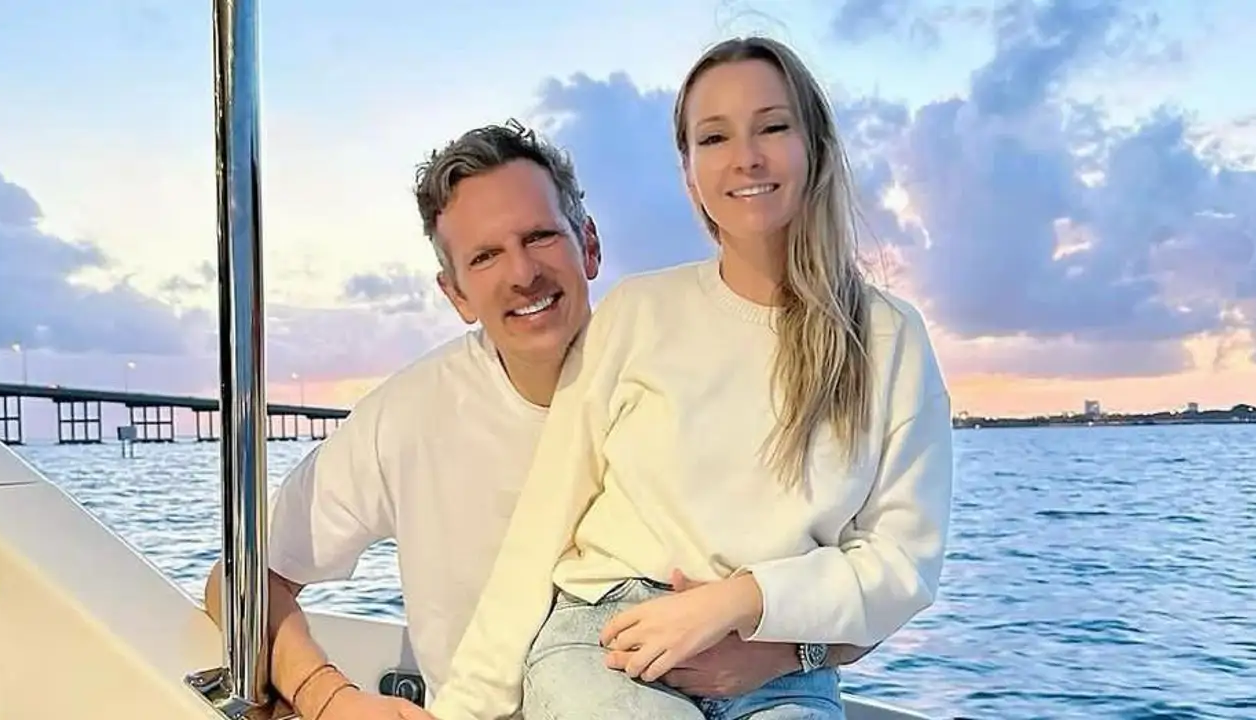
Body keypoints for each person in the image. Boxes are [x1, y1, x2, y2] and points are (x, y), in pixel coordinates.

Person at [201, 119, 875, 720]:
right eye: (485, 257)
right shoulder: (407, 417)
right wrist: (329, 699)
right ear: (456, 294)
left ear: (589, 244)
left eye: (540, 236)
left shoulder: (700, 371)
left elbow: (865, 572)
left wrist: (786, 654)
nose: (522, 273)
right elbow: (240, 582)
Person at [428, 36, 954, 720]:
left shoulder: (889, 337)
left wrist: (742, 604)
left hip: (784, 664)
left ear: (816, 146)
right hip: (609, 638)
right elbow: (542, 523)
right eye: (714, 137)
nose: (746, 156)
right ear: (689, 173)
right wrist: (464, 710)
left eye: (773, 126)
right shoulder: (637, 312)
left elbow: (901, 564)